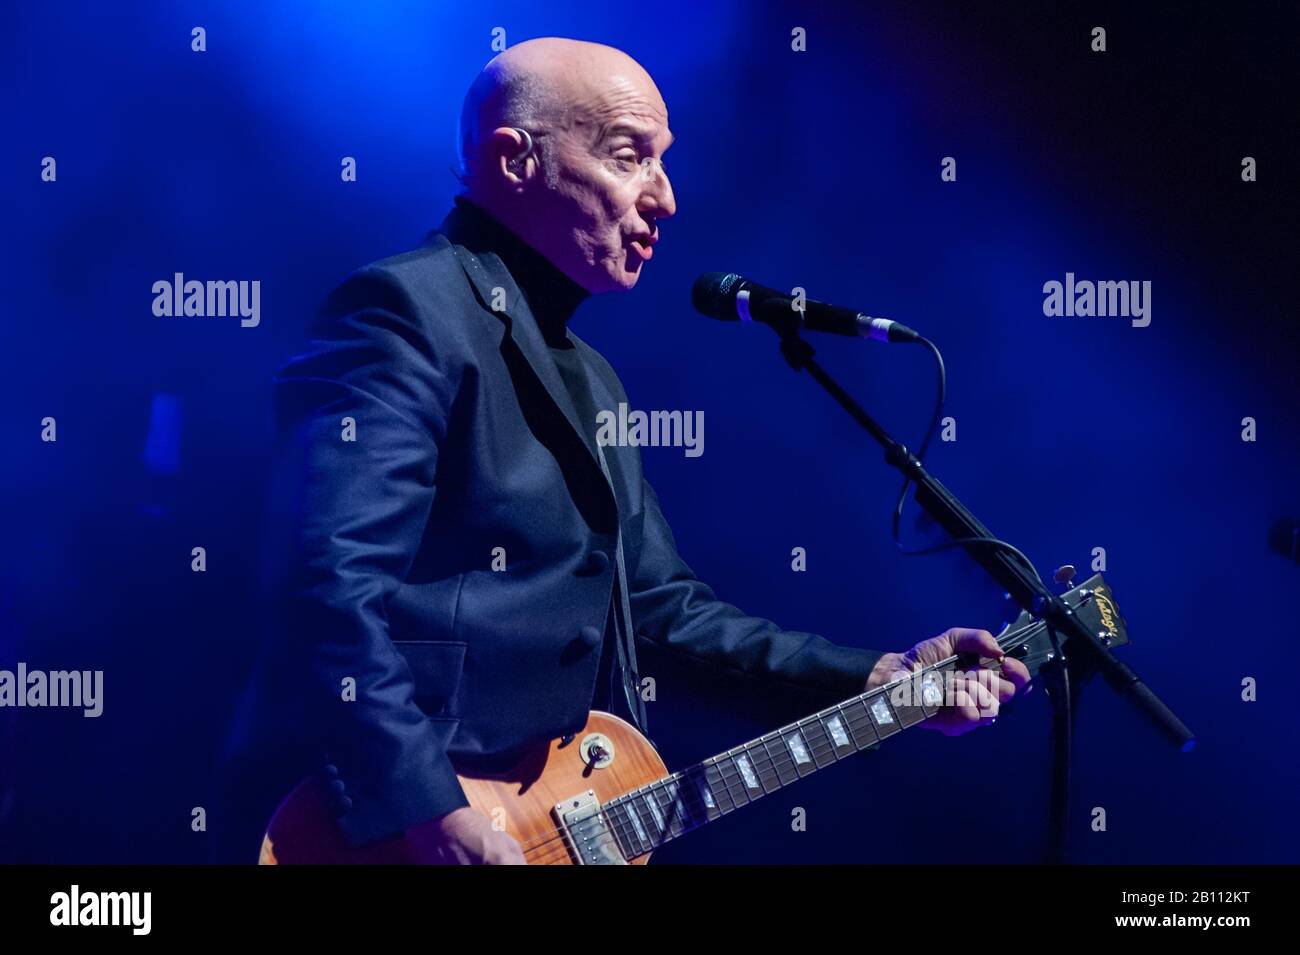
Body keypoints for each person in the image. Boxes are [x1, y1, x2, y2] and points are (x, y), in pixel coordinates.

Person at [219, 37, 1028, 865]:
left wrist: (878, 681)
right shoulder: (401, 312)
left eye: (664, 163)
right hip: (368, 829)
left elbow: (663, 614)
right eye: (629, 156)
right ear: (514, 160)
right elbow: (327, 585)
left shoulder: (594, 380)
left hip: (529, 820)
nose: (665, 199)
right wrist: (433, 812)